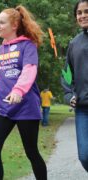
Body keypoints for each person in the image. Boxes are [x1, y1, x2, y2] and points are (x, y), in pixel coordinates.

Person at [0, 5, 47, 180]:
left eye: (1, 23)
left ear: (14, 25)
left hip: (26, 107)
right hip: (3, 108)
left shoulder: (27, 46)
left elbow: (29, 69)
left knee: (31, 152)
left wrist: (19, 90)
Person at [61, 0, 88, 173]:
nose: (83, 15)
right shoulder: (74, 43)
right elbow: (66, 75)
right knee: (84, 155)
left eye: (86, 11)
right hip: (83, 110)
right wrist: (69, 94)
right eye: (79, 12)